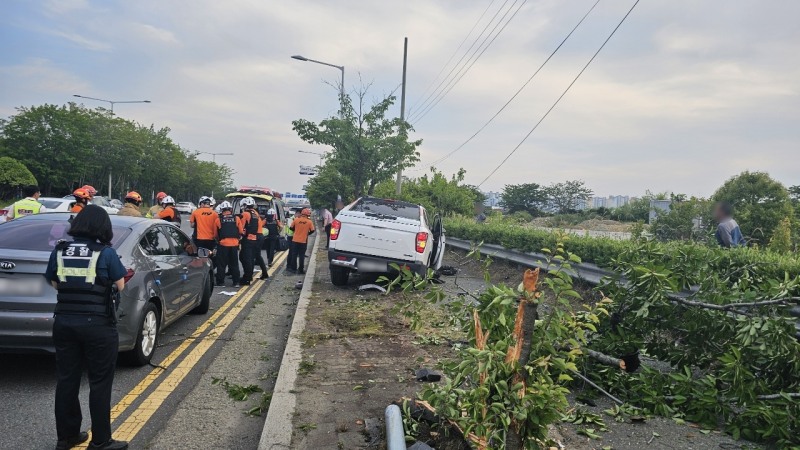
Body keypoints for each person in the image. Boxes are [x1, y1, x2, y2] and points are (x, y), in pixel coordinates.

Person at [44, 205, 129, 450]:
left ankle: (67, 436)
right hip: (98, 325)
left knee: (67, 380)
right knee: (99, 383)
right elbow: (120, 285)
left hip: (64, 322)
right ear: (103, 227)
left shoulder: (60, 250)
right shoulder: (106, 253)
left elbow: (54, 282)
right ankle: (101, 441)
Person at [239, 197, 267, 284]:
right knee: (254, 256)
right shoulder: (255, 213)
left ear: (245, 205)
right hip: (258, 236)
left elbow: (241, 227)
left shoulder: (245, 214)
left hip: (252, 237)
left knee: (246, 257)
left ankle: (247, 277)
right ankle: (260, 274)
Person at [214, 201, 243, 287]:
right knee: (234, 263)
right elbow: (241, 231)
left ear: (221, 210)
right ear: (231, 209)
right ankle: (236, 282)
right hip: (234, 244)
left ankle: (220, 282)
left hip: (223, 244)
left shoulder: (218, 220)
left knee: (221, 264)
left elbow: (215, 235)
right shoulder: (237, 218)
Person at [289, 208, 315, 275]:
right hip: (303, 241)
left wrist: (297, 230)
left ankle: (293, 269)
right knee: (301, 255)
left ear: (302, 213)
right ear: (308, 214)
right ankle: (301, 270)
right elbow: (312, 230)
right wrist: (307, 234)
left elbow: (291, 228)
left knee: (294, 255)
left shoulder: (296, 220)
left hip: (295, 240)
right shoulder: (309, 222)